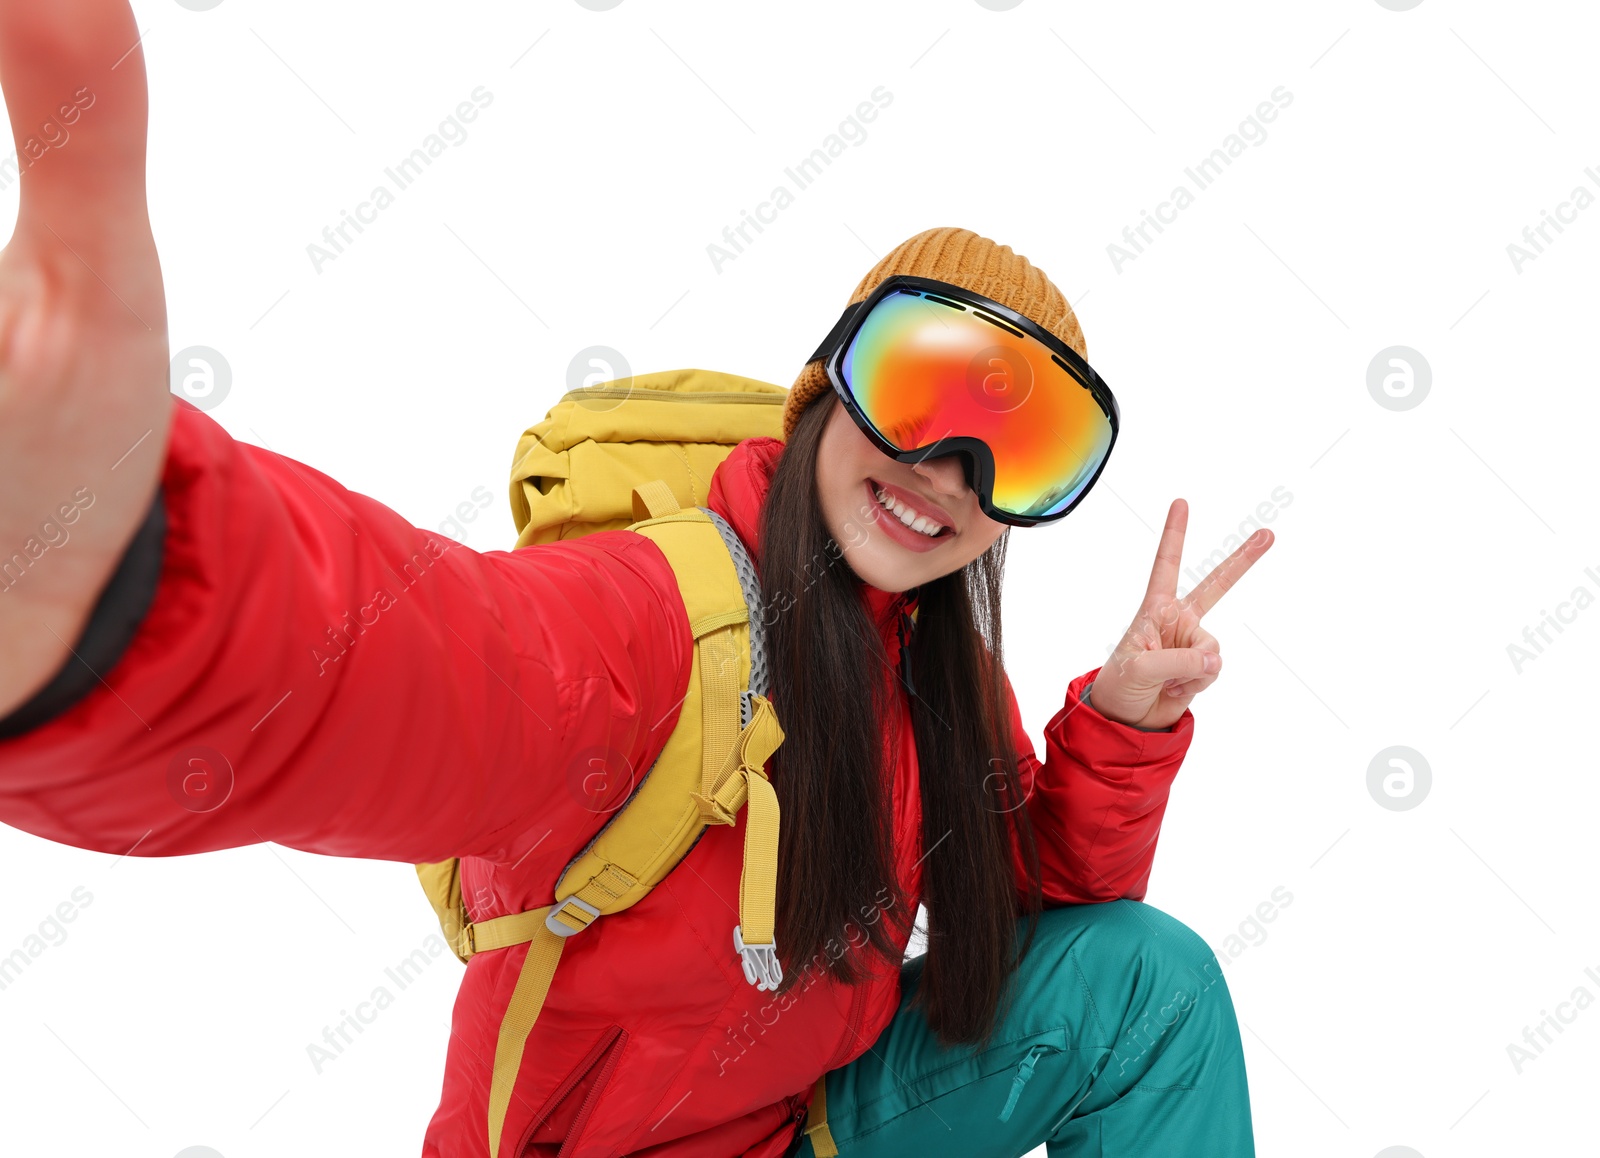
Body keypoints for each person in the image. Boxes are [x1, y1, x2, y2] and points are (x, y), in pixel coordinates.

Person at [0, 5, 1272, 1156]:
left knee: (1145, 989)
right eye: (917, 390)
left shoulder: (935, 668)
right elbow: (421, 667)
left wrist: (1121, 726)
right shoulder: (663, 618)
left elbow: (1042, 924)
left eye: (1022, 448)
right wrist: (126, 591)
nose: (950, 468)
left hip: (801, 1127)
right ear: (826, 381)